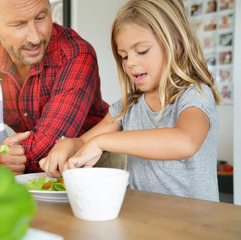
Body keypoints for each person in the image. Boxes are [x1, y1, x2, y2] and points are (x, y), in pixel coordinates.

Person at [40, 0, 223, 201]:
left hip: (194, 225)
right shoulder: (129, 107)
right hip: (144, 219)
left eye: (142, 51)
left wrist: (101, 142)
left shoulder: (195, 95)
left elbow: (185, 142)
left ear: (177, 43)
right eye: (124, 56)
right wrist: (67, 144)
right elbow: (83, 141)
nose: (131, 63)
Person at [0, 0, 109, 175]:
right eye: (18, 24)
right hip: (34, 175)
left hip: (96, 166)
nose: (36, 37)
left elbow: (46, 149)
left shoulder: (75, 54)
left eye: (40, 18)